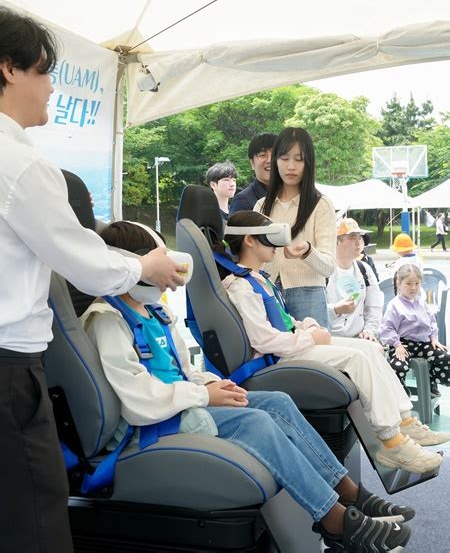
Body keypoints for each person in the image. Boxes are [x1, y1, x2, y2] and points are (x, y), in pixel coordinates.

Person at [81, 220, 414, 553]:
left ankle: (350, 493)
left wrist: (212, 385)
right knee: (255, 422)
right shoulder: (107, 320)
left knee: (277, 403)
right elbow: (138, 399)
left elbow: (182, 373)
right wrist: (202, 395)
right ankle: (336, 522)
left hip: (181, 404)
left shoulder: (154, 313)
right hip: (155, 423)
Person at [0, 6, 185, 553]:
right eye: (43, 71)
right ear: (8, 68)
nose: (52, 86)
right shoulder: (22, 166)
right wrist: (144, 266)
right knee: (34, 524)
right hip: (8, 374)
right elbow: (83, 262)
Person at [217, 210, 447, 472]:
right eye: (269, 238)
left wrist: (309, 326)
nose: (276, 246)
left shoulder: (260, 280)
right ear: (249, 240)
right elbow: (263, 339)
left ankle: (404, 421)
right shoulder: (240, 286)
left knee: (371, 348)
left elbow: (284, 320)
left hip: (293, 344)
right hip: (280, 357)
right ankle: (391, 442)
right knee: (356, 358)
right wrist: (308, 338)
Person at [256, 127, 335, 328]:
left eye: (299, 159)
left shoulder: (321, 205)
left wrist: (307, 251)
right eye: (284, 157)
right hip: (267, 293)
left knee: (314, 356)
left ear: (309, 162)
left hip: (309, 295)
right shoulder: (261, 206)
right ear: (275, 161)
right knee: (276, 359)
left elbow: (328, 267)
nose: (291, 166)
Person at [380, 264, 450, 397]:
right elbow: (387, 328)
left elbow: (432, 322)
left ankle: (431, 381)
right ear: (399, 283)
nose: (413, 287)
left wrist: (434, 338)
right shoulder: (394, 305)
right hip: (403, 345)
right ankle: (401, 392)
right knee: (398, 367)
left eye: (417, 283)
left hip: (423, 344)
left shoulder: (422, 303)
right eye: (408, 283)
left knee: (445, 356)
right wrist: (397, 345)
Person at [327, 218, 383, 343]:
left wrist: (369, 331)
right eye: (353, 237)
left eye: (360, 237)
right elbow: (314, 311)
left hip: (360, 338)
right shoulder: (325, 271)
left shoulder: (365, 269)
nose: (359, 242)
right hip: (331, 339)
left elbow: (374, 307)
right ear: (337, 242)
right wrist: (335, 309)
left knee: (377, 350)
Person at [229, 132, 276, 213]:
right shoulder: (242, 201)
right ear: (252, 163)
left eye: (275, 155)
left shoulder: (294, 195)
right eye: (262, 155)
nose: (269, 160)